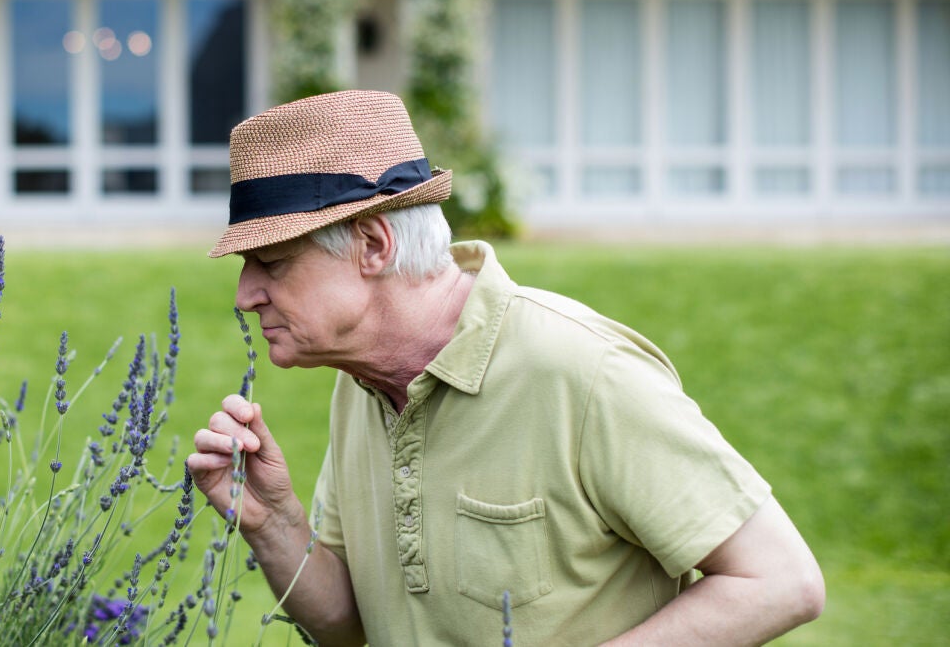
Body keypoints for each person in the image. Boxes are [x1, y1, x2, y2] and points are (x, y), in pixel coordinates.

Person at [186, 90, 825, 646]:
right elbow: (349, 624)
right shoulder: (362, 383)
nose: (245, 294)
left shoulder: (580, 368)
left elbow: (780, 581)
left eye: (273, 264)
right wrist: (274, 523)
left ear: (374, 246)